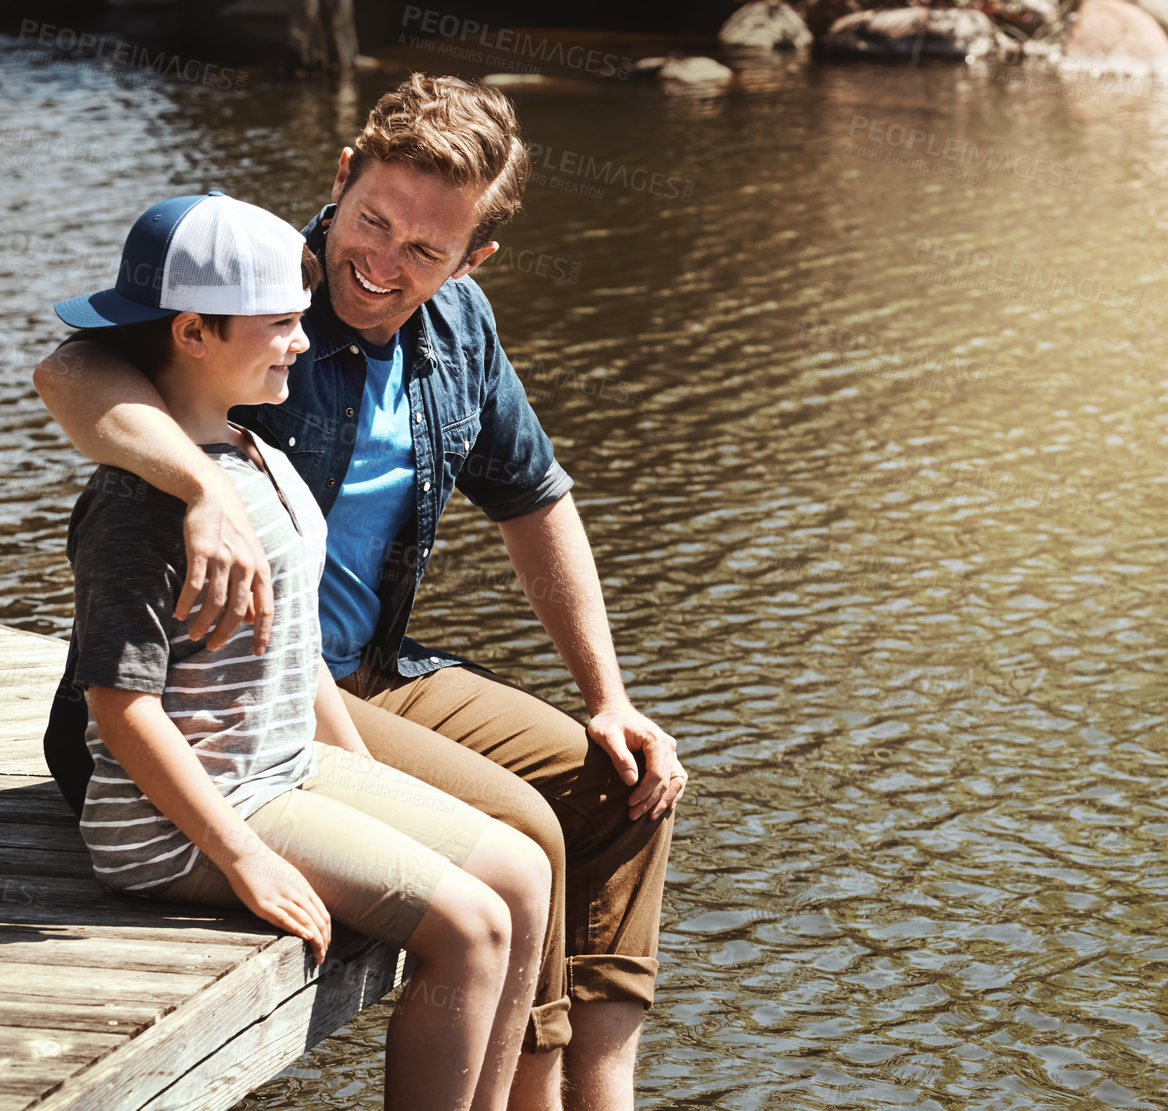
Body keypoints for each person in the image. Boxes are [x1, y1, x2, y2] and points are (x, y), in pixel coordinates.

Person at [33, 75, 686, 1111]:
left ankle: (581, 1088)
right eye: (371, 220)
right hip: (229, 722)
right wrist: (197, 485)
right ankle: (528, 1082)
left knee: (621, 779)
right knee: (529, 834)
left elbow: (536, 500)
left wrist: (608, 693)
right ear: (342, 178)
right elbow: (71, 367)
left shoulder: (454, 331)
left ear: (473, 259)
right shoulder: (248, 288)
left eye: (425, 251)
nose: (381, 263)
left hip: (355, 676)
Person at [56, 192, 551, 1111]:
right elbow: (121, 709)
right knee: (474, 927)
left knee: (523, 870)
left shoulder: (256, 452)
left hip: (284, 767)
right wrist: (242, 857)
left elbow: (295, 657)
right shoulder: (137, 504)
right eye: (281, 322)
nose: (301, 340)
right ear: (194, 331)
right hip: (183, 820)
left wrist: (379, 789)